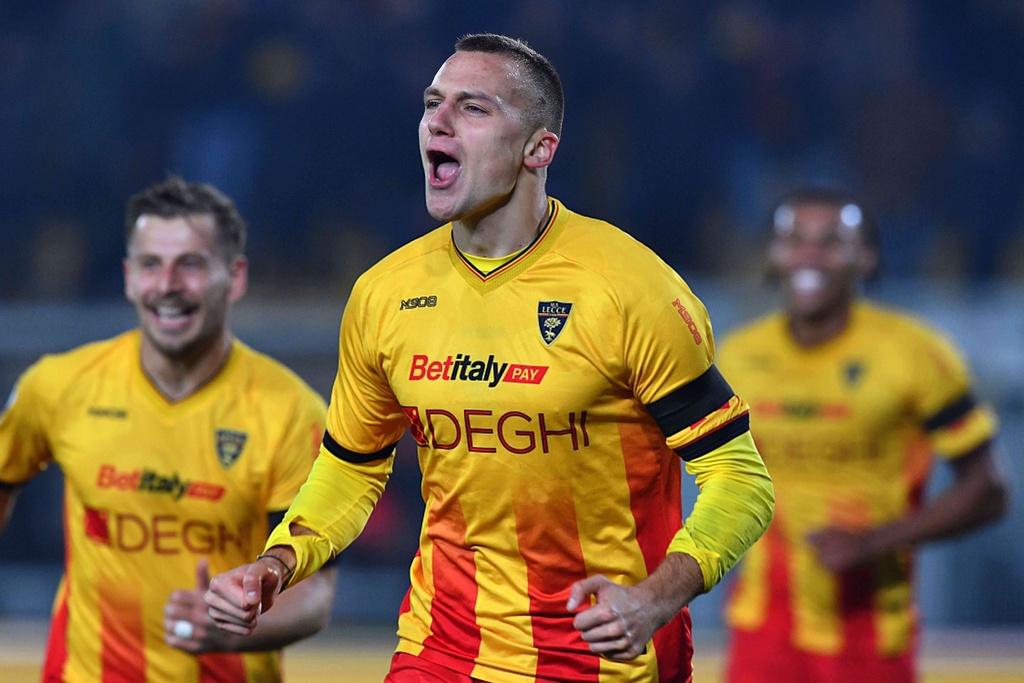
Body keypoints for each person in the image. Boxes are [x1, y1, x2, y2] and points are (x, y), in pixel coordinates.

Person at [205, 33, 775, 682]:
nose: (438, 121)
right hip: (441, 651)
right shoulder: (385, 294)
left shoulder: (631, 290)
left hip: (602, 661)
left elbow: (741, 478)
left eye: (473, 108)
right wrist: (278, 562)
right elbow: (351, 466)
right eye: (432, 103)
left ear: (539, 149)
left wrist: (656, 597)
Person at [0, 176, 337, 682]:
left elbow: (315, 594)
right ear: (128, 278)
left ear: (235, 277)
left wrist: (232, 628)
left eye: (191, 264)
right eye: (150, 265)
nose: (167, 285)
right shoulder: (58, 386)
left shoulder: (290, 412)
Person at [718, 186, 1010, 683]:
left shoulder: (915, 353)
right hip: (760, 630)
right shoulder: (736, 356)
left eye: (831, 241)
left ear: (866, 257)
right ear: (773, 254)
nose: (810, 254)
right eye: (794, 239)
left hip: (869, 634)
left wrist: (876, 541)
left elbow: (989, 490)